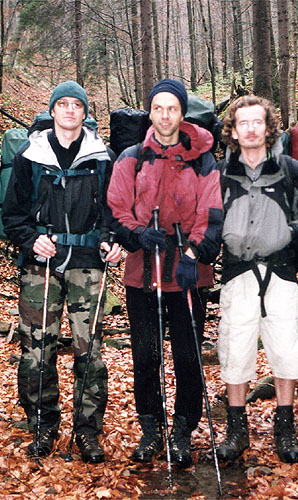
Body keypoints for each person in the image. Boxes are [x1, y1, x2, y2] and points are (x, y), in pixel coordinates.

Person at [2, 81, 121, 462]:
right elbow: (11, 213)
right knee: (37, 350)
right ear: (52, 111)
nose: (69, 110)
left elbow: (115, 210)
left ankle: (88, 432)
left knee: (91, 350)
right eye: (62, 104)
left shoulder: (103, 157)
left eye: (77, 105)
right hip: (41, 265)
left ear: (86, 113)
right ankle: (42, 426)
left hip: (88, 264)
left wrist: (110, 238)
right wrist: (29, 240)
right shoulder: (29, 155)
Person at [106, 78, 222, 467]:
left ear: (182, 112)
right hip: (143, 271)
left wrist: (195, 250)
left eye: (172, 108)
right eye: (158, 108)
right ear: (150, 112)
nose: (165, 115)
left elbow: (212, 210)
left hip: (188, 271)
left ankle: (184, 429)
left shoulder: (204, 157)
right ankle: (151, 427)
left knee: (187, 355)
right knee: (145, 353)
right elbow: (117, 208)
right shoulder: (131, 157)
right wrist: (137, 233)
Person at [215, 95, 298, 464]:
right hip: (237, 272)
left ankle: (285, 428)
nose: (252, 129)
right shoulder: (221, 175)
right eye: (244, 123)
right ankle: (236, 430)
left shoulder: (292, 171)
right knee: (235, 348)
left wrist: (297, 231)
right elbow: (210, 221)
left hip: (281, 271)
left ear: (269, 127)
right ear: (234, 131)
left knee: (287, 348)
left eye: (258, 122)